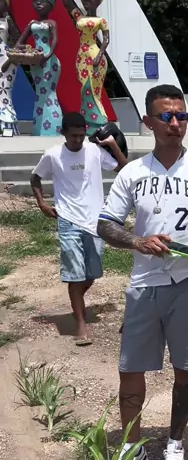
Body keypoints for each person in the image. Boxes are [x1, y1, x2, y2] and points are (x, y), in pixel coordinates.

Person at [97, 84, 188, 460]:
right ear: (148, 122)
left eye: (181, 116)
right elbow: (105, 224)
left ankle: (175, 444)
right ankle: (133, 448)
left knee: (186, 368)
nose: (175, 123)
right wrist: (137, 241)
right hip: (145, 283)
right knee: (130, 368)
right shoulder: (133, 173)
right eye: (166, 116)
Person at [31, 111, 128, 344]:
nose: (77, 140)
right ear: (63, 132)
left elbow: (124, 169)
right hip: (68, 220)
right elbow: (35, 177)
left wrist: (112, 145)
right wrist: (42, 203)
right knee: (75, 275)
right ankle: (81, 324)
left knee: (92, 274)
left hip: (95, 221)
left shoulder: (94, 151)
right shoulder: (53, 155)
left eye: (81, 135)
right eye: (73, 135)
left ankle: (77, 301)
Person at [63, 0, 110, 135]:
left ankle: (99, 121)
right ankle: (88, 122)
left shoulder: (101, 20)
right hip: (81, 57)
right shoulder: (79, 17)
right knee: (84, 89)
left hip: (95, 56)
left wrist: (99, 56)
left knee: (93, 90)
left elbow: (106, 40)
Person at [15, 0, 61, 136]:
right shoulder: (32, 23)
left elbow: (55, 41)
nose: (39, 3)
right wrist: (28, 51)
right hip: (36, 61)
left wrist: (47, 56)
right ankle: (39, 128)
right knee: (40, 93)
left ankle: (53, 127)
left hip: (50, 61)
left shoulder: (51, 23)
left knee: (49, 92)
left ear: (50, 2)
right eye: (35, 0)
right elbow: (19, 43)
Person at [0, 0, 20, 136]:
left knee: (4, 91)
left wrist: (11, 59)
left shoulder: (7, 21)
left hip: (5, 58)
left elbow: (19, 41)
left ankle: (7, 126)